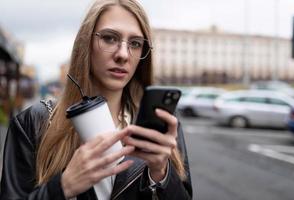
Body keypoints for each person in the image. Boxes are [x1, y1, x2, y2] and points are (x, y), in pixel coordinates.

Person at [0, 0, 193, 199]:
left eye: (135, 43)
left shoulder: (162, 124)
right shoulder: (33, 122)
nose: (123, 55)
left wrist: (161, 174)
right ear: (86, 43)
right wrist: (62, 186)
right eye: (110, 38)